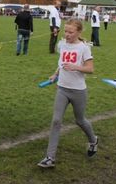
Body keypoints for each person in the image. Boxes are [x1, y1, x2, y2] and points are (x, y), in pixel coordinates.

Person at [38, 18, 98, 168]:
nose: (67, 34)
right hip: (62, 89)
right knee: (56, 121)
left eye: (71, 32)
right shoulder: (62, 44)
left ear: (78, 32)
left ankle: (93, 140)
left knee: (80, 120)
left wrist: (76, 67)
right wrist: (55, 74)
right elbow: (61, 63)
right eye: (66, 31)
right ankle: (50, 157)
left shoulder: (84, 48)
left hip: (78, 91)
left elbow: (90, 69)